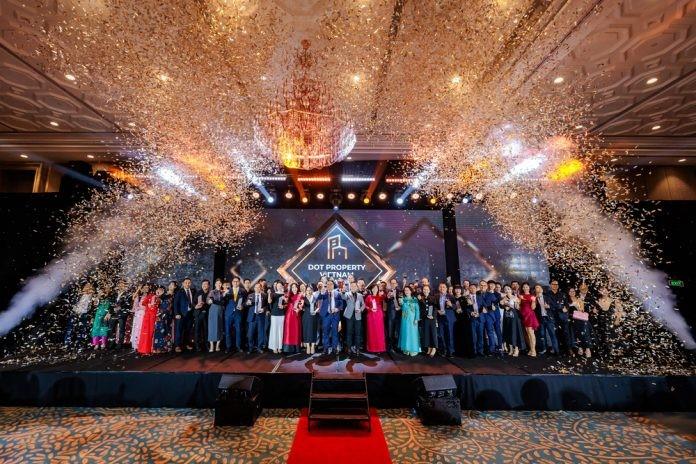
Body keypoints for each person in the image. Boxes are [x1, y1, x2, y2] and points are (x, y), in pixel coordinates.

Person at [545, 280, 572, 354]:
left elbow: (566, 305)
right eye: (553, 284)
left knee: (566, 333)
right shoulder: (547, 295)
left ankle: (569, 349)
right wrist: (560, 307)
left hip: (563, 317)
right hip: (553, 317)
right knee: (556, 334)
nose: (555, 285)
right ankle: (558, 350)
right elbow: (549, 306)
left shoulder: (562, 294)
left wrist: (565, 308)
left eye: (557, 284)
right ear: (550, 285)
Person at [316, 280, 343, 355]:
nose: (329, 286)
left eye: (331, 284)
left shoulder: (337, 293)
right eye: (327, 284)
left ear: (333, 285)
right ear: (326, 286)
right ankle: (325, 348)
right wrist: (321, 292)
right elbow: (318, 298)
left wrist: (337, 309)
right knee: (325, 332)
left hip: (335, 315)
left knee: (335, 332)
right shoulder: (324, 293)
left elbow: (341, 303)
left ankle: (334, 348)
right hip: (326, 315)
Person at [65, 283, 95, 348]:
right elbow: (73, 303)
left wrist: (91, 295)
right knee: (70, 328)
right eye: (86, 286)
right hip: (75, 313)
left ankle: (80, 344)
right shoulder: (79, 295)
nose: (87, 288)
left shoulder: (92, 297)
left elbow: (93, 306)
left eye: (89, 287)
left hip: (84, 314)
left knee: (82, 329)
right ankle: (67, 343)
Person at [501, 284, 525, 356]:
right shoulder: (503, 298)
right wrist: (504, 303)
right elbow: (501, 304)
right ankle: (511, 349)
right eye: (505, 289)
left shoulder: (515, 297)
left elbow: (518, 308)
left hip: (514, 317)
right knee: (508, 332)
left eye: (508, 289)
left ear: (511, 290)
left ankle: (516, 349)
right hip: (506, 317)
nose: (507, 290)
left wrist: (516, 304)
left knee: (515, 332)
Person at [534, 284, 559, 355]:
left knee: (552, 334)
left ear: (542, 290)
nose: (537, 289)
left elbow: (554, 306)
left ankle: (556, 350)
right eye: (536, 288)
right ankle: (544, 349)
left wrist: (549, 306)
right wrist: (535, 301)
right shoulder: (534, 299)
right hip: (541, 319)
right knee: (542, 335)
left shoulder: (547, 297)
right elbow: (534, 309)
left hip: (548, 318)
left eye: (538, 288)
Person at [341, 281, 365, 356]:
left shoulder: (360, 295)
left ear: (357, 287)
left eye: (355, 286)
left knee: (358, 333)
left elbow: (363, 305)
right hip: (349, 316)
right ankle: (349, 348)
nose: (353, 287)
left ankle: (357, 349)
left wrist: (360, 310)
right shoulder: (347, 294)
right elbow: (343, 296)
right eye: (352, 286)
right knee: (349, 333)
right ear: (350, 287)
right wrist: (343, 292)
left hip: (358, 315)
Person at [223, 277, 246, 353]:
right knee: (227, 330)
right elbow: (223, 301)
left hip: (238, 313)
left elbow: (246, 301)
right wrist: (224, 294)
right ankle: (228, 347)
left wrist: (243, 306)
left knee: (238, 330)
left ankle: (238, 346)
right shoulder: (228, 290)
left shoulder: (243, 291)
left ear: (239, 282)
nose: (235, 283)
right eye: (234, 281)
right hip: (228, 313)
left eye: (237, 281)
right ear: (232, 282)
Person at [245, 282, 268, 353]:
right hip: (252, 316)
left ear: (261, 288)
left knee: (261, 333)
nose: (257, 288)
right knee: (250, 334)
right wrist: (247, 303)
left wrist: (263, 309)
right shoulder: (250, 295)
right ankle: (250, 348)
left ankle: (259, 348)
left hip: (261, 316)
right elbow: (246, 305)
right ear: (254, 288)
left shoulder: (264, 295)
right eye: (256, 287)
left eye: (259, 287)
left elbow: (267, 306)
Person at [173, 277, 195, 352]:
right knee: (179, 330)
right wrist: (177, 313)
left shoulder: (193, 291)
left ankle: (186, 344)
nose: (187, 284)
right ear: (183, 283)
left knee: (188, 330)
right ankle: (177, 346)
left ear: (190, 283)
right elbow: (176, 303)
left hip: (190, 314)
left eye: (189, 283)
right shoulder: (179, 292)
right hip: (181, 314)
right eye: (186, 283)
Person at [137, 285, 160, 355]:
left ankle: (151, 349)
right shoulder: (150, 296)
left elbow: (159, 307)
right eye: (157, 290)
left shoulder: (159, 298)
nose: (158, 291)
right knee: (145, 333)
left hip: (154, 317)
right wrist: (148, 304)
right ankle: (143, 349)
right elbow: (143, 303)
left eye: (159, 290)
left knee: (152, 333)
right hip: (147, 317)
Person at [154, 281, 176, 353]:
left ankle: (166, 347)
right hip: (160, 315)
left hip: (169, 315)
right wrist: (158, 296)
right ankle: (158, 347)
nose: (171, 286)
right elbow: (157, 303)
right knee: (159, 330)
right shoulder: (163, 294)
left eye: (173, 285)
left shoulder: (174, 295)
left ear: (175, 287)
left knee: (167, 331)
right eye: (170, 285)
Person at [477, 280, 498, 355]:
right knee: (480, 333)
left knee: (490, 332)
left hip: (489, 316)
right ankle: (480, 350)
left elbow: (495, 304)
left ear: (487, 286)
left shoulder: (491, 294)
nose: (483, 287)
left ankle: (492, 350)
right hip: (480, 315)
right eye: (481, 285)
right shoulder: (476, 294)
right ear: (479, 286)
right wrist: (481, 309)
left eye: (484, 285)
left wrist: (493, 307)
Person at [108, 280, 131, 349]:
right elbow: (111, 303)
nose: (121, 285)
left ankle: (120, 344)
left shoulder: (127, 294)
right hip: (114, 314)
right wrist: (110, 312)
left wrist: (120, 307)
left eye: (123, 284)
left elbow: (128, 304)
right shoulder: (115, 294)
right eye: (120, 284)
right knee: (111, 329)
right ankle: (112, 343)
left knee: (121, 329)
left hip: (122, 314)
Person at [398, 286, 420, 356]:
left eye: (407, 290)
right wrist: (400, 302)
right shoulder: (403, 299)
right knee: (406, 333)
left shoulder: (414, 299)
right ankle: (406, 348)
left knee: (413, 334)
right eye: (405, 290)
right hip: (405, 319)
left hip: (413, 319)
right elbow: (401, 307)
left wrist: (416, 319)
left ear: (410, 291)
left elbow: (417, 310)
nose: (406, 291)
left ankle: (413, 349)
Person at [569, 287, 591, 357]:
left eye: (573, 291)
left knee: (584, 332)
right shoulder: (566, 300)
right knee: (576, 333)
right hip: (572, 320)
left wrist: (577, 306)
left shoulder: (579, 299)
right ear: (568, 293)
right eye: (570, 291)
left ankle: (587, 349)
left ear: (575, 292)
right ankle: (580, 347)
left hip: (580, 319)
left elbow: (582, 310)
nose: (572, 293)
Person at [436, 282, 456, 357]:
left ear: (446, 288)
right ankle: (443, 350)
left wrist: (451, 305)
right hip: (440, 318)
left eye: (443, 287)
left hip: (449, 318)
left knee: (449, 334)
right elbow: (434, 306)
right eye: (440, 287)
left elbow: (456, 307)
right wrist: (437, 311)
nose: (442, 288)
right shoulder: (436, 296)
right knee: (441, 335)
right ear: (439, 288)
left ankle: (450, 351)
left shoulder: (451, 296)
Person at [518, 282, 539, 357]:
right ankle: (531, 349)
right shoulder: (520, 296)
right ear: (522, 288)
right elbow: (518, 307)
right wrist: (518, 301)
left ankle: (534, 350)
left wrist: (533, 301)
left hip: (529, 315)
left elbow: (533, 308)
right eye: (524, 287)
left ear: (529, 288)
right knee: (527, 334)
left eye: (527, 287)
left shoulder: (532, 296)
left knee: (531, 333)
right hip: (523, 316)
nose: (525, 288)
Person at [364, 284, 386, 353]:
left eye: (376, 288)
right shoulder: (368, 297)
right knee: (371, 332)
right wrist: (370, 309)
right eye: (373, 288)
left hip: (379, 316)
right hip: (371, 315)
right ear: (371, 289)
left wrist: (383, 294)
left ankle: (380, 348)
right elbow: (365, 305)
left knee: (379, 332)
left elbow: (386, 300)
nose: (375, 289)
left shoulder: (380, 296)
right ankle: (372, 348)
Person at [283, 282, 303, 353]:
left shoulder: (300, 295)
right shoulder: (288, 295)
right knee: (288, 331)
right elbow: (285, 303)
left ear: (297, 288)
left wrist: (299, 309)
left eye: (295, 287)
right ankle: (288, 348)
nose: (294, 289)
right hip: (289, 315)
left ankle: (296, 348)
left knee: (296, 330)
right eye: (293, 287)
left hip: (296, 315)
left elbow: (301, 306)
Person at [419, 284, 438, 357]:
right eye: (424, 289)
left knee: (433, 333)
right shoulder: (421, 298)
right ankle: (429, 348)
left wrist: (433, 316)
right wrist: (421, 300)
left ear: (429, 290)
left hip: (432, 318)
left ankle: (434, 348)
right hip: (425, 318)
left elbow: (435, 308)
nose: (425, 291)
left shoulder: (433, 298)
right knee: (426, 333)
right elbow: (421, 309)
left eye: (427, 289)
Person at [267, 281, 286, 354]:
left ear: (282, 286)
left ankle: (280, 347)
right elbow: (269, 301)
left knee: (281, 330)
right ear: (276, 286)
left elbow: (287, 304)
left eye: (280, 285)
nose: (279, 287)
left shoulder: (285, 294)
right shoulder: (273, 294)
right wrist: (269, 294)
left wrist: (283, 306)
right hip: (274, 314)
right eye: (278, 286)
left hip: (282, 314)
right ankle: (274, 347)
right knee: (274, 330)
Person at [193, 280, 211, 352]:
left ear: (209, 285)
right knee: (197, 330)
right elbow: (193, 302)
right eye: (203, 284)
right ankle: (197, 346)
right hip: (198, 314)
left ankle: (207, 345)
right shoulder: (198, 293)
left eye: (206, 284)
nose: (204, 285)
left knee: (206, 330)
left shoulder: (211, 293)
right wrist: (196, 306)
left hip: (207, 314)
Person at [207, 278, 224, 352]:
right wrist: (210, 301)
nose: (219, 284)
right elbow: (208, 300)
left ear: (221, 284)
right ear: (215, 284)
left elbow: (224, 301)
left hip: (221, 310)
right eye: (217, 283)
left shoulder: (223, 292)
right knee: (212, 327)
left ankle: (217, 345)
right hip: (213, 310)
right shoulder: (212, 291)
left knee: (220, 327)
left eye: (220, 283)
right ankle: (211, 345)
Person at [130, 283, 149, 350]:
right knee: (137, 328)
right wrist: (138, 289)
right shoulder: (139, 296)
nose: (146, 289)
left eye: (147, 287)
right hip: (138, 314)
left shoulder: (149, 296)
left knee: (142, 328)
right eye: (145, 287)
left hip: (145, 314)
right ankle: (136, 344)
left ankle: (141, 344)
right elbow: (133, 298)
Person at [467, 283, 484, 356]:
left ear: (476, 289)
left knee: (480, 335)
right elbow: (465, 308)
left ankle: (480, 351)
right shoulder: (466, 298)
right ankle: (474, 351)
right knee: (473, 336)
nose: (472, 289)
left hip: (480, 318)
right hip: (472, 318)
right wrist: (470, 312)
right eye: (471, 288)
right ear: (469, 289)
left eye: (474, 288)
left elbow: (483, 306)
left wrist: (479, 313)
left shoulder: (480, 297)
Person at [385, 278, 401, 351]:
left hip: (399, 314)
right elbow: (386, 301)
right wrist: (387, 297)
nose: (393, 284)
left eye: (394, 283)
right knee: (390, 331)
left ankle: (396, 346)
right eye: (391, 283)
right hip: (390, 314)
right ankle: (390, 346)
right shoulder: (388, 292)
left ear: (396, 284)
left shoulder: (400, 292)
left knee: (397, 330)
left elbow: (401, 301)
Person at [301, 286, 318, 354]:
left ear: (312, 291)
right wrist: (301, 306)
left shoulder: (314, 298)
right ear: (305, 291)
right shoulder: (303, 298)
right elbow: (301, 307)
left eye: (310, 290)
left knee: (313, 330)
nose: (309, 291)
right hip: (306, 316)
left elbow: (318, 306)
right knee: (306, 330)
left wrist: (316, 311)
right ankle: (308, 346)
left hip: (313, 316)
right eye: (307, 290)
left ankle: (313, 346)